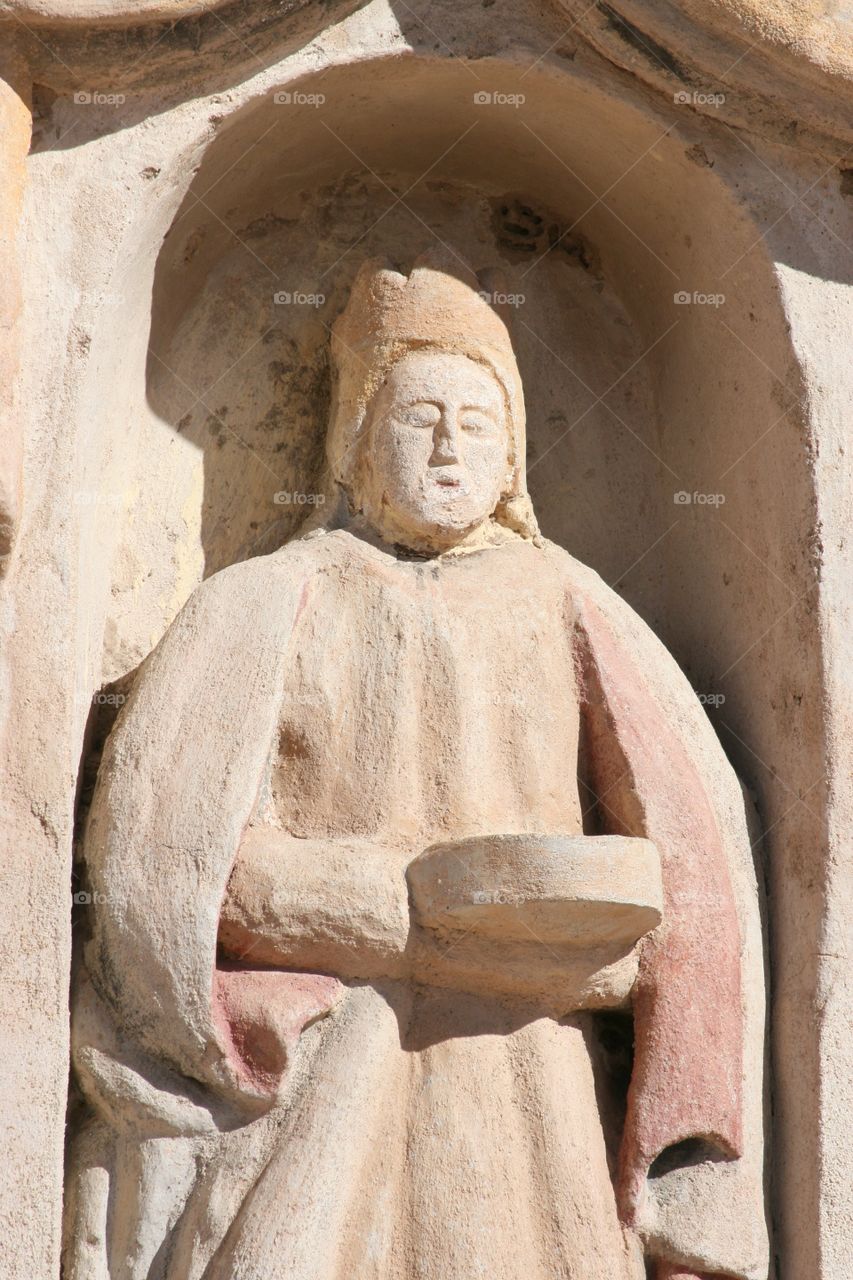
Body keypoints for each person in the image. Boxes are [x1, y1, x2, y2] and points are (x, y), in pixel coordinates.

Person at [65, 256, 768, 1280]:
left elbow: (696, 871)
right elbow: (160, 872)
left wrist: (597, 947)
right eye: (417, 415)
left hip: (530, 1080)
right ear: (356, 436)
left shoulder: (571, 605)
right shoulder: (265, 601)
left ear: (514, 453)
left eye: (477, 422)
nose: (448, 445)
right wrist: (407, 914)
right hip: (330, 1061)